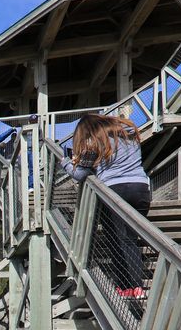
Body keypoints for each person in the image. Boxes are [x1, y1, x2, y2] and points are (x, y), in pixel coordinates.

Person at [62, 113, 152, 299]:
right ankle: (135, 286)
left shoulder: (95, 141)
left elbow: (80, 174)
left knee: (118, 242)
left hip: (114, 192)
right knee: (130, 239)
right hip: (141, 189)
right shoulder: (128, 136)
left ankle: (130, 287)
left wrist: (65, 163)